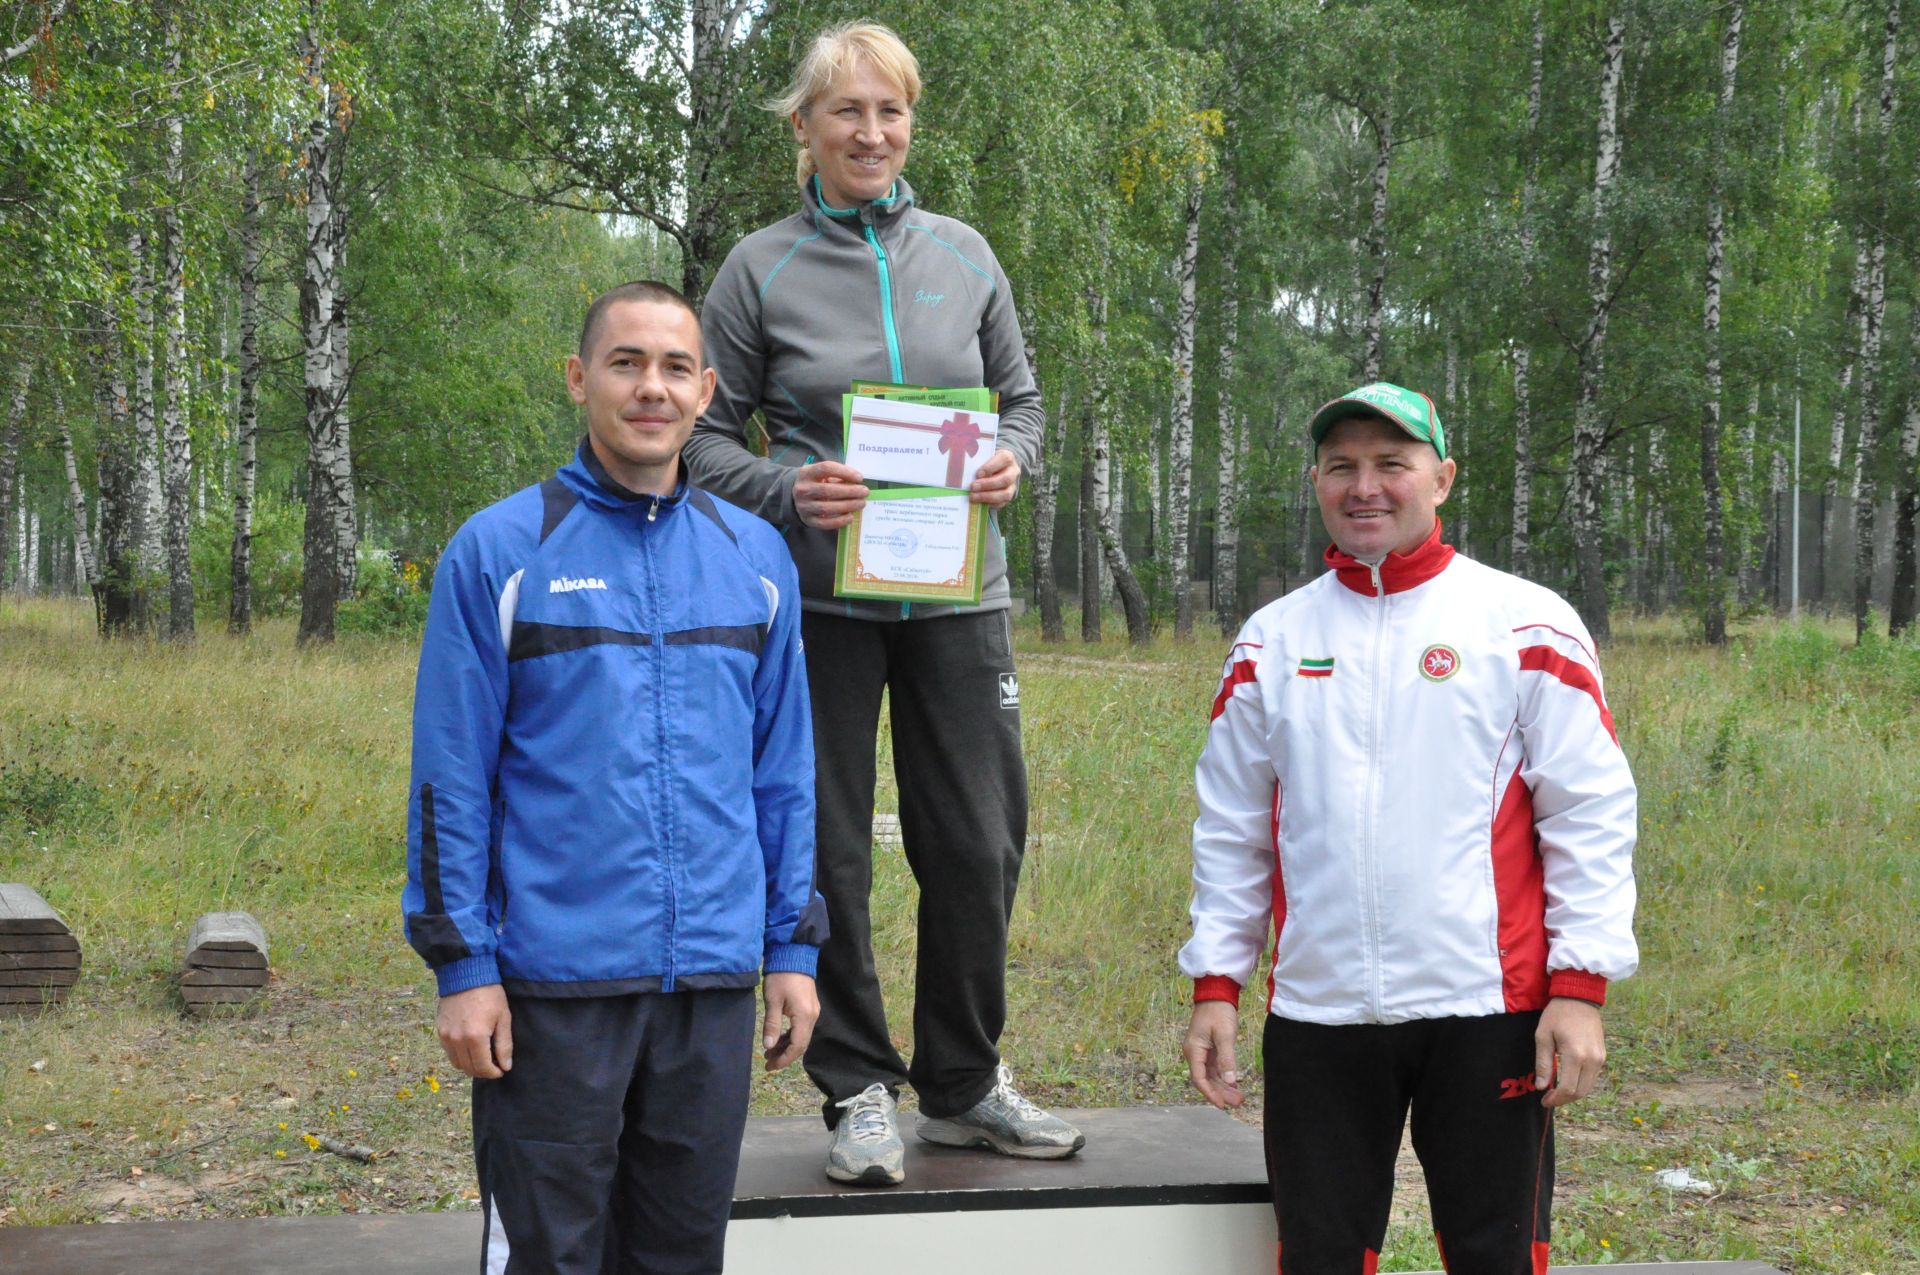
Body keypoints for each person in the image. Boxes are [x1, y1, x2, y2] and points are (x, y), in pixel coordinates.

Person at [683, 21, 1082, 1187]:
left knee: (979, 838)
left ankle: (962, 1085)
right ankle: (855, 1090)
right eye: (846, 111)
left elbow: (1022, 402)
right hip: (821, 608)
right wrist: (787, 490)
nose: (871, 132)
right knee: (828, 851)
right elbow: (705, 438)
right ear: (803, 128)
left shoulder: (965, 252)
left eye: (890, 111)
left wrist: (1010, 457)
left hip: (961, 599)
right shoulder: (758, 268)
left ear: (912, 125)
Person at [402, 280, 826, 1274]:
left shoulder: (756, 557)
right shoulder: (500, 552)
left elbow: (788, 773)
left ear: (708, 391)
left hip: (710, 986)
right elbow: (447, 780)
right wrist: (464, 967)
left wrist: (794, 952)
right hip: (552, 988)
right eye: (627, 363)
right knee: (551, 1256)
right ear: (578, 379)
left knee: (680, 1256)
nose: (652, 389)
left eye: (676, 368)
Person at [1179, 382, 1638, 1273]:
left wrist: (1580, 987)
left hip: (1490, 1009)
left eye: (1392, 464)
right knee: (1318, 1256)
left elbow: (1589, 812)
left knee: (1494, 1254)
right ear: (1316, 480)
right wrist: (1216, 983)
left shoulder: (1528, 625)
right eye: (1342, 466)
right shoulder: (1271, 641)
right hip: (1320, 1012)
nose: (1366, 487)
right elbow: (1233, 828)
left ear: (1442, 478)